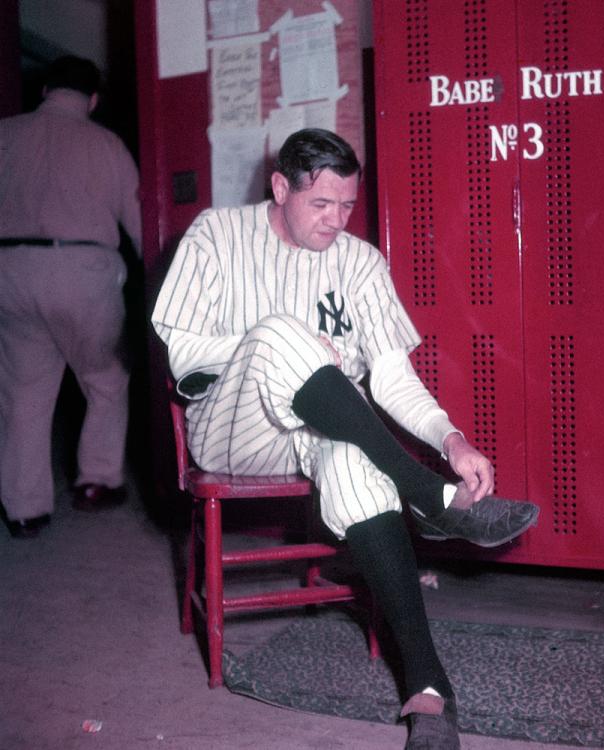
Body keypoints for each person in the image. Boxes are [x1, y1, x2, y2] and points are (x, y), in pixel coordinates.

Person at [152, 128, 538, 749]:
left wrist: (452, 441)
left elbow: (390, 376)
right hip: (233, 427)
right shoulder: (216, 235)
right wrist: (290, 347)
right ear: (281, 188)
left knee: (357, 464)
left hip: (322, 426)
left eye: (347, 206)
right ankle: (423, 495)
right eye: (320, 205)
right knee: (283, 332)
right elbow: (186, 354)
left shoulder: (358, 262)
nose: (336, 221)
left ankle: (430, 690)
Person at [0, 56, 142, 538]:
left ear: (44, 90)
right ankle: (96, 482)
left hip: (11, 269)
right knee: (105, 379)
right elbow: (139, 226)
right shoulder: (107, 145)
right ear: (93, 99)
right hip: (84, 272)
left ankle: (24, 509)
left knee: (23, 393)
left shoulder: (6, 134)